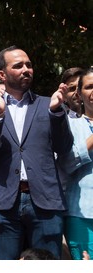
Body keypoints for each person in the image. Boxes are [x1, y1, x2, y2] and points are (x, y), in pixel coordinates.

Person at [0, 45, 73, 260]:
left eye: (28, 65)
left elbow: (64, 147)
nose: (26, 69)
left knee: (47, 270)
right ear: (2, 74)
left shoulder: (49, 104)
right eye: (18, 66)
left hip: (45, 201)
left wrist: (56, 113)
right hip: (3, 203)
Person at [57, 67, 93, 260]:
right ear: (79, 94)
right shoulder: (70, 125)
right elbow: (65, 164)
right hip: (82, 213)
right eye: (89, 87)